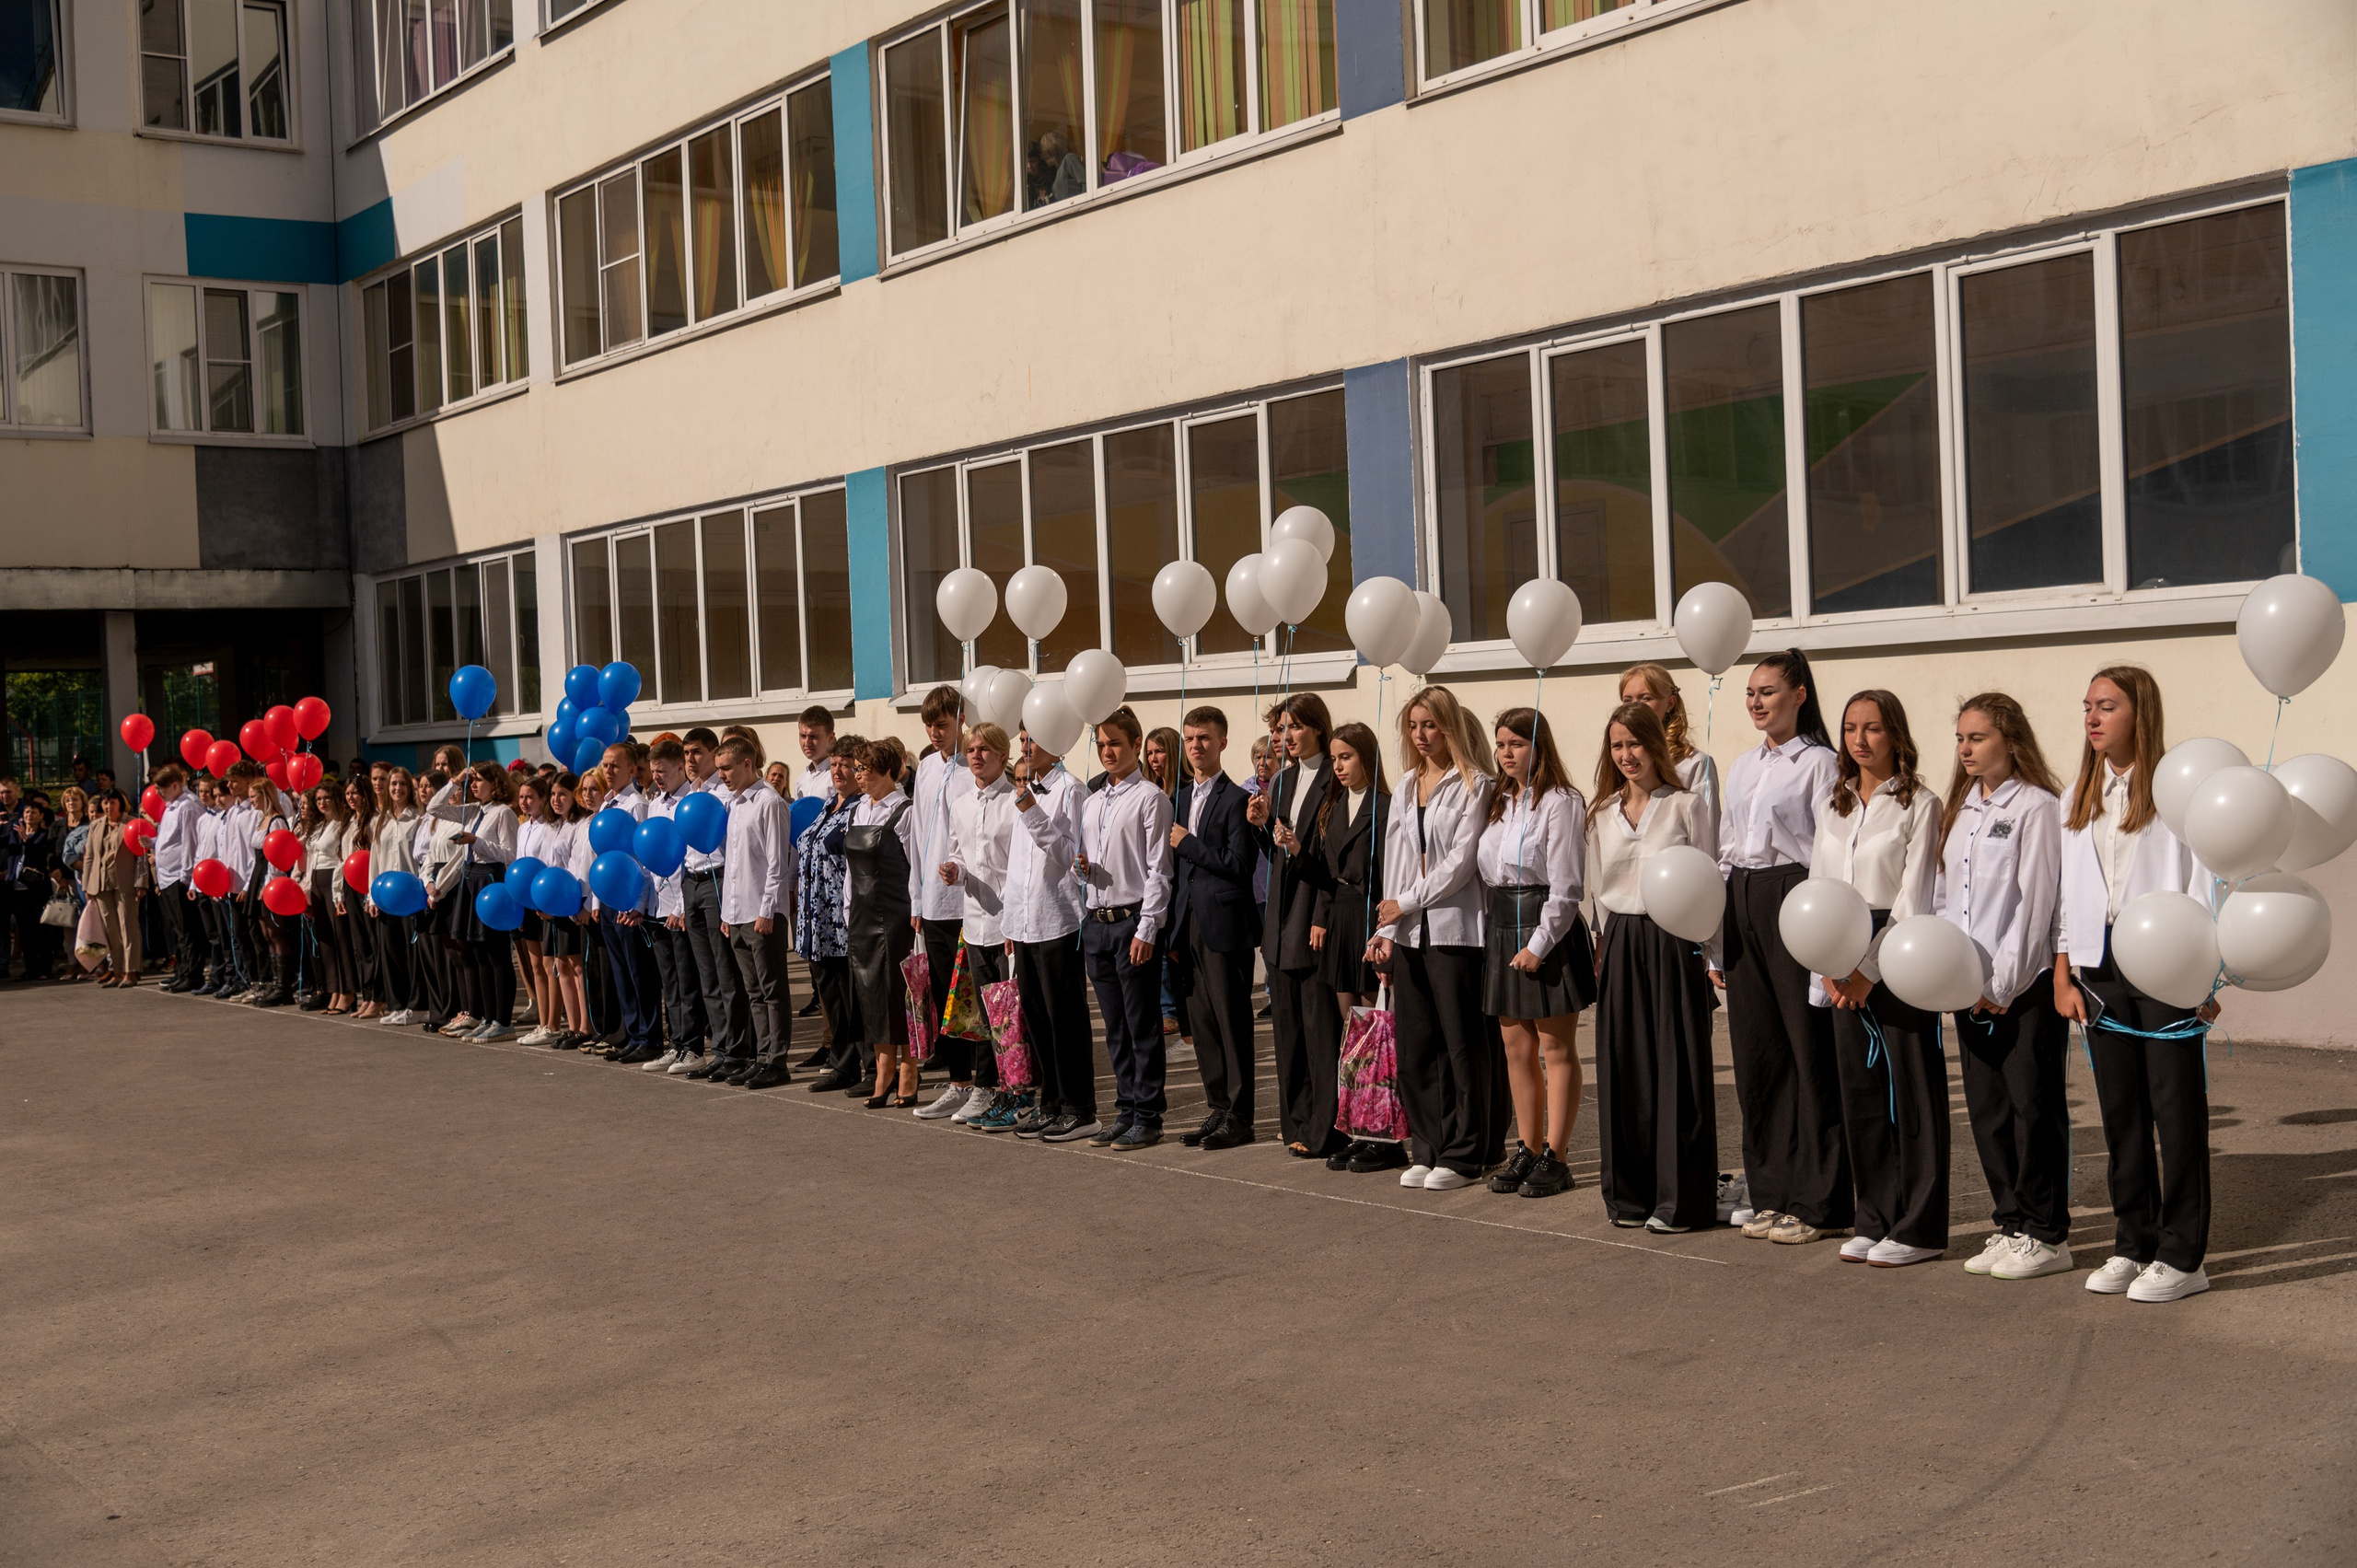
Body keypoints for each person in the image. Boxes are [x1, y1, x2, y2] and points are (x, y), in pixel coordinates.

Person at [2056, 668, 2219, 1304]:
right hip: (2100, 966)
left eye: (2107, 706)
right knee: (2121, 1112)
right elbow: (2072, 892)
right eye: (2088, 707)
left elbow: (2203, 881)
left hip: (2166, 960)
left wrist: (2206, 969)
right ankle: (2133, 1240)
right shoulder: (2081, 793)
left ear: (2139, 713)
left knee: (2175, 1110)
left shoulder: (2178, 790)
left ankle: (2183, 1254)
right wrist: (2064, 971)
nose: (2093, 718)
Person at [1937, 692, 2072, 1281]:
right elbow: (1947, 898)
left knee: (2031, 1106)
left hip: (2022, 986)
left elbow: (2036, 902)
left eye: (1978, 738)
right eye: (1961, 738)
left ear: (2010, 741)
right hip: (1968, 985)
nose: (1966, 749)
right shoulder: (1961, 807)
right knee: (1988, 1109)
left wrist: (2004, 981)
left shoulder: (2038, 807)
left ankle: (2047, 1233)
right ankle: (2010, 1222)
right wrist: (1951, 975)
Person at [1716, 649, 1847, 1246]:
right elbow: (1724, 850)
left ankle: (1819, 1198)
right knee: (1758, 1055)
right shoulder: (1742, 765)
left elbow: (1829, 848)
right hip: (1743, 898)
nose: (1756, 701)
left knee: (1806, 1050)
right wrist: (1718, 939)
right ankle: (1771, 1190)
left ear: (1798, 694)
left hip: (1794, 895)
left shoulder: (1820, 763)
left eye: (1768, 690)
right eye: (1750, 692)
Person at [1811, 691, 1946, 1266]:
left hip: (1897, 949)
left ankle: (1918, 1228)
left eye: (1872, 729)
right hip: (1838, 952)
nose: (1859, 740)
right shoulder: (1833, 802)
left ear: (1896, 734)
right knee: (1860, 1094)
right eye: (1849, 729)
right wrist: (1827, 960)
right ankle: (1876, 1216)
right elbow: (1819, 887)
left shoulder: (1921, 801)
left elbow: (1915, 896)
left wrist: (1868, 970)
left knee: (1911, 1093)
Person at [1589, 701, 1723, 1230]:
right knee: (1624, 1067)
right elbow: (1596, 890)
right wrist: (1600, 946)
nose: (1626, 755)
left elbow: (1711, 880)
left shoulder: (1687, 805)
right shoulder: (1600, 812)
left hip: (1675, 941)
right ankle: (1628, 1197)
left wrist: (1715, 954)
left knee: (1679, 1068)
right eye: (1617, 746)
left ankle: (1681, 1202)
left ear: (1655, 746)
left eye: (1635, 744)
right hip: (1622, 941)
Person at [1370, 686, 1497, 1191]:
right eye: (1414, 726)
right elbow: (1397, 860)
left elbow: (1461, 864)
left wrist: (1409, 901)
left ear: (1451, 728)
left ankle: (1467, 1153)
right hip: (1408, 932)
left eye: (1431, 726)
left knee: (1461, 1046)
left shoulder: (1476, 784)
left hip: (1455, 931)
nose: (1421, 736)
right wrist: (1385, 925)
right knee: (1417, 1043)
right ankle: (1429, 1145)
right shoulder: (1404, 785)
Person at [1479, 708, 1595, 1199]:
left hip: (1547, 927)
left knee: (1555, 1047)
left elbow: (1567, 886)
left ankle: (1557, 1155)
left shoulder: (1562, 801)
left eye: (1516, 744)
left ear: (1538, 745)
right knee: (1516, 1048)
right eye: (1500, 744)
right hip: (1503, 925)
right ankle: (1525, 1148)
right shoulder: (1498, 801)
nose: (1506, 753)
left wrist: (1539, 945)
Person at [1078, 706, 1174, 1149]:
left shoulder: (1150, 798)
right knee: (1114, 1026)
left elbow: (1158, 870)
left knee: (1141, 1024)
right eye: (1100, 744)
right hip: (1097, 922)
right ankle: (1126, 1107)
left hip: (1131, 921)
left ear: (1136, 744)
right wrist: (1083, 870)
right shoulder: (1093, 800)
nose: (1107, 751)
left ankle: (1149, 1114)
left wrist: (1148, 927)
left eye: (1115, 743)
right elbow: (1091, 861)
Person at [1250, 694, 1339, 1160]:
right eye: (1281, 728)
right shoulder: (1282, 781)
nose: (1287, 737)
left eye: (1295, 727)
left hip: (1312, 916)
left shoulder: (1334, 778)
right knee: (1286, 1031)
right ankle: (1296, 1123)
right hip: (1280, 920)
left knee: (1319, 1029)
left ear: (1318, 729)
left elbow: (1333, 859)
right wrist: (1262, 827)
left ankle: (1326, 1127)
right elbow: (1280, 853)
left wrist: (1324, 915)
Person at [1167, 705, 1260, 1151]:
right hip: (1187, 926)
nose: (1196, 746)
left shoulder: (1238, 800)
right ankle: (1218, 1107)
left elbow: (1240, 866)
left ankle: (1241, 1116)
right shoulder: (1179, 798)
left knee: (1231, 1021)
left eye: (1204, 738)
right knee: (1201, 1024)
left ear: (1223, 742)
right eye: (1189, 739)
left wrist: (1190, 844)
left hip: (1225, 925)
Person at [1301, 721, 1392, 1171]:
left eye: (1346, 757)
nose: (1338, 766)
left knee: (1378, 1029)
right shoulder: (1333, 808)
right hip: (1339, 919)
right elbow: (1322, 873)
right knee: (1352, 1033)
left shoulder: (1385, 806)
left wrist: (1386, 934)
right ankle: (1361, 1128)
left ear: (1366, 757)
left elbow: (1390, 874)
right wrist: (1290, 848)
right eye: (1334, 758)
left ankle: (1387, 1138)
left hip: (1369, 919)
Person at [1003, 726, 1092, 1140]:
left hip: (1058, 920)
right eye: (1022, 741)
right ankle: (1051, 1103)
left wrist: (1033, 814)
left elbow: (1072, 858)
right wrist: (1011, 920)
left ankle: (1079, 1107)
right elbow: (1017, 866)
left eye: (1032, 740)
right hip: (1026, 922)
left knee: (1065, 1019)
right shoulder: (1026, 790)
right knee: (1037, 1018)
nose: (1025, 748)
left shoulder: (1071, 791)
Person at [936, 723, 1019, 1125]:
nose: (976, 755)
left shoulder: (1014, 800)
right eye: (971, 749)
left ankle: (1015, 1088)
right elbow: (960, 854)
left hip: (1010, 922)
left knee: (1011, 1010)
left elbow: (1020, 865)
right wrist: (956, 871)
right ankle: (987, 1088)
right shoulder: (962, 802)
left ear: (1003, 755)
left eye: (985, 749)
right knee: (986, 1012)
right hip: (975, 921)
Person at [909, 686, 981, 1118]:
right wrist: (917, 898)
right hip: (934, 904)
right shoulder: (925, 769)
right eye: (929, 726)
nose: (935, 733)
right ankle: (958, 1081)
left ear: (959, 722)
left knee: (977, 995)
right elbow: (919, 836)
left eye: (942, 724)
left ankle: (988, 1083)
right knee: (944, 996)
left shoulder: (972, 766)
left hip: (970, 901)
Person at [711, 735, 795, 1088]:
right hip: (738, 911)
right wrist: (728, 913)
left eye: (727, 768)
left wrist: (767, 910)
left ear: (747, 764)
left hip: (763, 913)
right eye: (718, 771)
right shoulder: (733, 804)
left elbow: (778, 864)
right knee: (754, 991)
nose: (722, 776)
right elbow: (732, 864)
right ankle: (762, 1057)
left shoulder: (768, 802)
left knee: (773, 989)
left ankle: (777, 1061)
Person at [677, 727, 756, 1080]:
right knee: (707, 975)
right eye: (686, 754)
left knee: (728, 975)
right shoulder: (688, 795)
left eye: (696, 752)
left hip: (718, 881)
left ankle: (739, 1050)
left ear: (714, 754)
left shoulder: (724, 793)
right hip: (691, 883)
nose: (690, 760)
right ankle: (722, 1048)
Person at [843, 738, 917, 1108]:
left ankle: (908, 1066)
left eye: (864, 770)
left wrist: (917, 913)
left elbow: (916, 868)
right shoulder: (858, 810)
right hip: (861, 914)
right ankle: (883, 1065)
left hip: (895, 914)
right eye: (856, 769)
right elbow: (849, 870)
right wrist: (846, 909)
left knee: (897, 993)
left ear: (887, 770)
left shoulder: (904, 811)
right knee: (870, 994)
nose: (858, 777)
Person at [428, 761, 519, 1040]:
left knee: (496, 953)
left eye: (480, 780)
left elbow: (509, 853)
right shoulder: (473, 811)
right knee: (478, 952)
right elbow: (435, 808)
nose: (474, 785)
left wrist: (475, 841)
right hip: (471, 880)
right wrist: (455, 780)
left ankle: (503, 1020)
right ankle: (488, 1017)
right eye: (473, 780)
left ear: (496, 783)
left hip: (490, 879)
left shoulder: (503, 813)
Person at [798, 735, 867, 1094]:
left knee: (854, 995)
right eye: (836, 764)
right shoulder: (828, 805)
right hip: (816, 920)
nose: (839, 770)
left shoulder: (863, 808)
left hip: (842, 920)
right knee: (831, 997)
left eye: (847, 764)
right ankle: (842, 1064)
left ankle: (867, 1064)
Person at [591, 741, 666, 1063]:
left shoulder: (636, 805)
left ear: (632, 770)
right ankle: (633, 1034)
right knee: (621, 972)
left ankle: (650, 1036)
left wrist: (638, 902)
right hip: (608, 898)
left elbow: (641, 859)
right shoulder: (607, 805)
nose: (608, 771)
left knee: (640, 973)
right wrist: (597, 901)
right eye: (605, 765)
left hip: (629, 898)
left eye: (615, 766)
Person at [641, 738, 711, 1074]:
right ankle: (677, 1043)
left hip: (680, 908)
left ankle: (694, 1046)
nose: (657, 777)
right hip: (658, 905)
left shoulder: (691, 802)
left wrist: (681, 908)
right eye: (653, 772)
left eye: (663, 771)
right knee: (669, 980)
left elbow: (690, 862)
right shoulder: (656, 803)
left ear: (680, 768)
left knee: (688, 981)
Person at [1620, 662, 1722, 825]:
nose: (1635, 707)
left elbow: (1707, 829)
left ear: (1670, 703)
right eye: (1627, 700)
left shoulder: (1693, 763)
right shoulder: (1621, 759)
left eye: (1646, 698)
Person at [541, 772, 598, 1048]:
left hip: (573, 900)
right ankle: (573, 1025)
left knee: (578, 966)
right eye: (552, 794)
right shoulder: (556, 826)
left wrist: (577, 903)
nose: (556, 799)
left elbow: (579, 867)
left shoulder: (580, 824)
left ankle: (586, 1026)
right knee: (561, 963)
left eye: (562, 794)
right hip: (556, 902)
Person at [370, 768, 426, 1026]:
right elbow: (375, 860)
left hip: (410, 896)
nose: (397, 789)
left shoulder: (417, 819)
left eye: (403, 784)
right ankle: (396, 1003)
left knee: (411, 953)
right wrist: (372, 896)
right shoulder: (381, 820)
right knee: (390, 951)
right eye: (394, 784)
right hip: (385, 897)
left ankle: (415, 1006)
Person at [513, 772, 565, 1046]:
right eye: (521, 797)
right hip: (527, 902)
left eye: (530, 797)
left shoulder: (550, 827)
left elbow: (548, 864)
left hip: (544, 901)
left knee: (550, 963)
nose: (524, 801)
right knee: (535, 964)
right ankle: (542, 1021)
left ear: (543, 799)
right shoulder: (523, 828)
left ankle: (553, 1023)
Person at [148, 764, 207, 993]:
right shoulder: (170, 807)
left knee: (188, 929)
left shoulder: (187, 807)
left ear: (175, 785)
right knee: (178, 929)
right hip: (166, 877)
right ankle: (182, 970)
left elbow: (189, 843)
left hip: (178, 877)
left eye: (161, 787)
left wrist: (186, 875)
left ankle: (193, 974)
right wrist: (152, 843)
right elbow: (169, 839)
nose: (157, 793)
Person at [1142, 723, 1184, 1037]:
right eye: (1150, 752)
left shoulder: (1181, 792)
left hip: (1177, 883)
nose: (1155, 758)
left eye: (1161, 751)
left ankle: (1174, 1014)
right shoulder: (1147, 790)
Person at [299, 784, 352, 1014]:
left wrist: (338, 889)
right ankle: (334, 991)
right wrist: (307, 891)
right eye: (319, 799)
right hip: (317, 883)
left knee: (340, 938)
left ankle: (348, 992)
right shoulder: (319, 825)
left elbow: (342, 858)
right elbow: (310, 859)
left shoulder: (343, 825)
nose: (322, 802)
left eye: (327, 798)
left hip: (333, 881)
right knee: (325, 941)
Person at [86, 790, 145, 987]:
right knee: (111, 929)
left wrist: (142, 883)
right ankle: (117, 970)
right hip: (101, 883)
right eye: (105, 803)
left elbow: (143, 855)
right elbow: (90, 857)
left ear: (121, 804)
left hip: (125, 882)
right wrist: (87, 885)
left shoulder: (132, 823)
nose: (108, 806)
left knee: (128, 926)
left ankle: (132, 970)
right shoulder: (96, 826)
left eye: (112, 802)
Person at [338, 775, 381, 1018]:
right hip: (349, 885)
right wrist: (339, 892)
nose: (351, 798)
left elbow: (374, 857)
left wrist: (371, 892)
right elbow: (342, 859)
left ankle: (378, 996)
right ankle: (367, 995)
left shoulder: (373, 821)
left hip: (368, 884)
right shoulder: (348, 822)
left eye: (355, 793)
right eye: (348, 793)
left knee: (373, 943)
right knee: (360, 945)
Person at [795, 706, 837, 801]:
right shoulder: (801, 780)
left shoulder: (838, 776)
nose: (807, 743)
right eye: (803, 736)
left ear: (830, 738)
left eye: (814, 736)